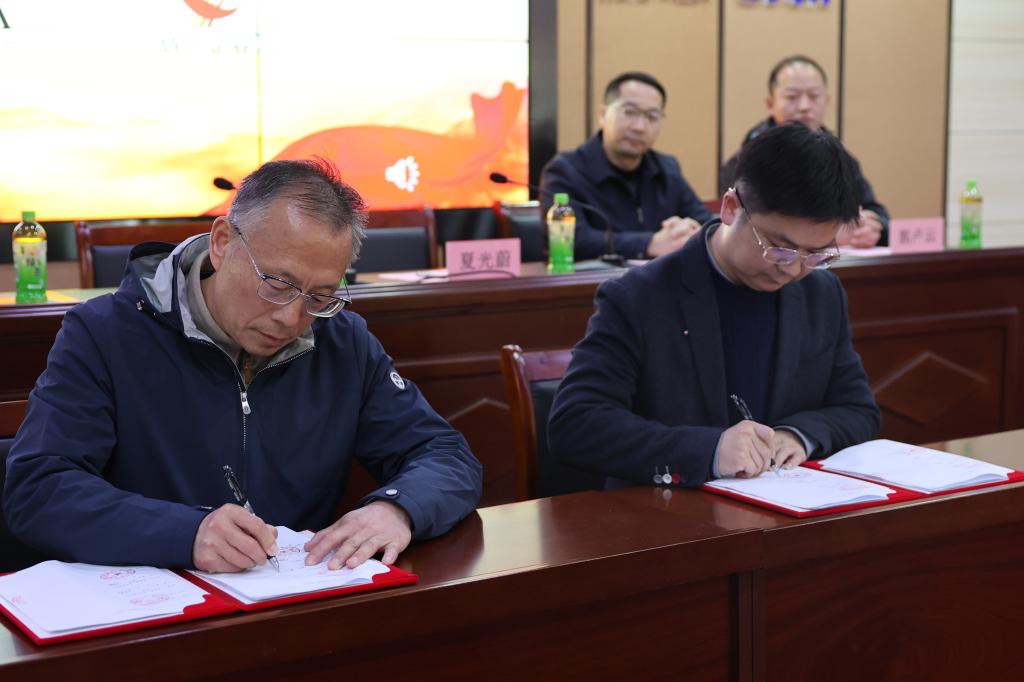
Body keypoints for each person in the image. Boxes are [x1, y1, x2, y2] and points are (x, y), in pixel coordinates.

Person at [4, 158, 482, 572]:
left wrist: (397, 509)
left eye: (319, 296)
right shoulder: (105, 333)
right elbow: (38, 489)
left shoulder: (342, 342)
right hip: (153, 616)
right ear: (222, 241)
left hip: (297, 605)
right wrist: (185, 533)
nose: (291, 318)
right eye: (276, 284)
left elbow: (445, 455)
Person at [549, 123, 880, 488]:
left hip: (785, 510)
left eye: (816, 254)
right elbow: (575, 424)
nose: (793, 268)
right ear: (731, 208)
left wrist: (799, 434)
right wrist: (710, 450)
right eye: (779, 248)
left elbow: (858, 410)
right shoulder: (639, 296)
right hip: (668, 515)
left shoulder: (822, 293)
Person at [720, 55, 890, 248]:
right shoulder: (747, 161)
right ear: (770, 104)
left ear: (827, 101)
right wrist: (830, 233)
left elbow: (877, 213)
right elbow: (738, 224)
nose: (804, 107)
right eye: (792, 97)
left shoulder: (840, 157)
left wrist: (873, 228)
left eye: (814, 96)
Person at [540, 71, 711, 261]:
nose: (639, 127)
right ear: (602, 115)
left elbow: (705, 222)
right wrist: (649, 243)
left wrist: (689, 230)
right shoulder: (565, 171)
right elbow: (571, 240)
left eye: (652, 116)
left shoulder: (667, 169)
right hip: (595, 279)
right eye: (629, 112)